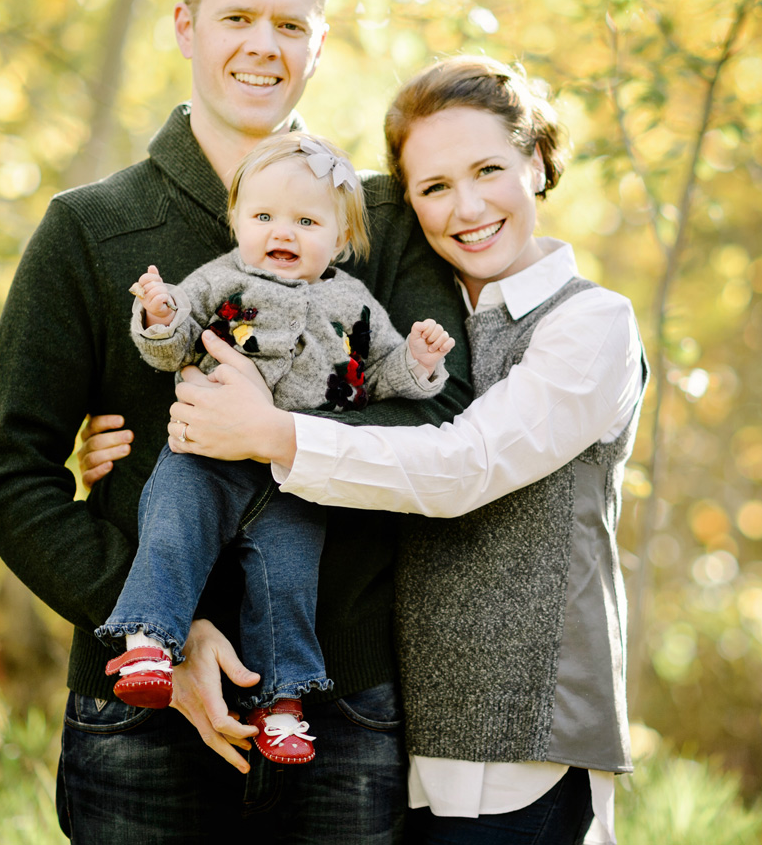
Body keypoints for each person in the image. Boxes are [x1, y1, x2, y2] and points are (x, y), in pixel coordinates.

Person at [0, 0, 472, 844]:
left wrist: (285, 437)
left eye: (290, 25)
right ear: (185, 26)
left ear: (320, 45)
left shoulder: (382, 222)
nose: (262, 47)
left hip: (341, 707)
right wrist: (159, 624)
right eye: (238, 18)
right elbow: (9, 479)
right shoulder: (90, 227)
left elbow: (446, 421)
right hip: (137, 715)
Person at [99, 55, 647, 844]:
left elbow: (462, 465)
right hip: (406, 742)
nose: (467, 206)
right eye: (433, 187)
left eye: (490, 168)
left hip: (526, 749)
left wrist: (271, 435)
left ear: (535, 161)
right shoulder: (416, 315)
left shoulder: (590, 325)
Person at [96, 131, 454, 768]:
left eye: (306, 220)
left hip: (295, 475)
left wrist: (418, 362)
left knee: (287, 582)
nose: (281, 231)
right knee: (173, 529)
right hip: (204, 456)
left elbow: (378, 377)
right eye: (262, 216)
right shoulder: (220, 279)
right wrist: (157, 313)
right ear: (235, 221)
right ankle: (149, 638)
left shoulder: (355, 302)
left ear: (340, 238)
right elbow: (173, 340)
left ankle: (283, 702)